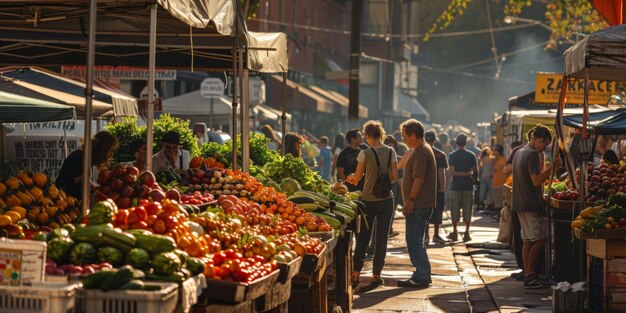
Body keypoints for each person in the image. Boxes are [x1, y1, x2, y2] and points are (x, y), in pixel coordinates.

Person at [346, 121, 397, 290]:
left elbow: (358, 176)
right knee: (382, 239)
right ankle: (376, 276)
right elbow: (394, 177)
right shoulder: (391, 151)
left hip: (368, 200)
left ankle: (355, 274)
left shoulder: (364, 154)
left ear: (368, 136)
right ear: (380, 134)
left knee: (363, 237)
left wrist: (351, 177)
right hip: (387, 200)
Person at [511, 125, 561, 289]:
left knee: (527, 240)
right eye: (544, 145)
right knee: (540, 239)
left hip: (520, 203)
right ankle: (530, 275)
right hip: (530, 203)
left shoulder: (520, 152)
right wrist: (553, 168)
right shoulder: (532, 154)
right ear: (539, 139)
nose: (544, 149)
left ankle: (528, 273)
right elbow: (536, 181)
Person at [396, 119, 437, 288]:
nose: (404, 140)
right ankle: (423, 273)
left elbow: (418, 178)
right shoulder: (422, 149)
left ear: (414, 135)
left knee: (414, 240)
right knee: (417, 239)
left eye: (405, 136)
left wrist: (410, 200)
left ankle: (421, 274)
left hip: (419, 203)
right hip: (422, 203)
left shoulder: (420, 151)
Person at [56, 131, 119, 200]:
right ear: (103, 150)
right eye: (111, 151)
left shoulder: (88, 159)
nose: (111, 155)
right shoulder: (77, 158)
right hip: (67, 203)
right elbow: (61, 183)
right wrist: (81, 178)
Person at [448, 133, 478, 242]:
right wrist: (469, 175)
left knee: (454, 209)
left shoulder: (452, 155)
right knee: (468, 209)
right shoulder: (471, 155)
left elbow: (452, 172)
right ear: (466, 143)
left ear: (456, 142)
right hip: (468, 186)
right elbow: (475, 171)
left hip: (456, 186)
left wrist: (460, 174)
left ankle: (455, 231)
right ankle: (466, 232)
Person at [424, 131, 448, 244]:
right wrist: (442, 188)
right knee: (438, 210)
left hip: (423, 187)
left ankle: (426, 236)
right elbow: (441, 173)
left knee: (425, 211)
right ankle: (436, 235)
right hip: (436, 187)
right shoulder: (440, 154)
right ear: (435, 140)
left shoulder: (420, 152)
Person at [491, 145, 507, 220]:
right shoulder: (497, 160)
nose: (493, 152)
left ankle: (500, 217)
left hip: (501, 184)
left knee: (500, 202)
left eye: (495, 150)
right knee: (497, 202)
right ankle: (498, 216)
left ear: (499, 151)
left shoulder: (503, 160)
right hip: (496, 184)